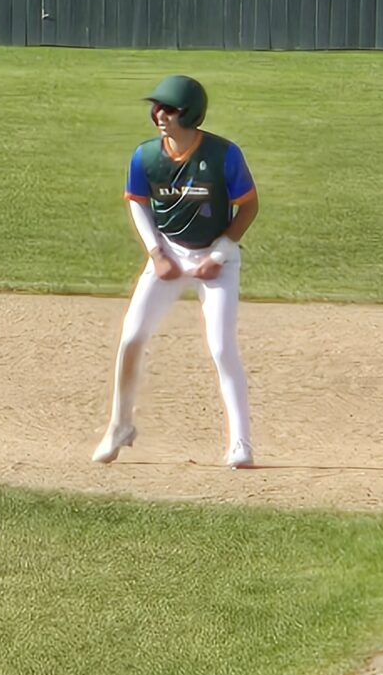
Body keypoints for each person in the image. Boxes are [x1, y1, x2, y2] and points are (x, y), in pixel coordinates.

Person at [93, 72, 259, 470]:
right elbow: (137, 201)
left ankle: (240, 442)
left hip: (215, 257)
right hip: (168, 252)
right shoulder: (146, 156)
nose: (159, 115)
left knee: (221, 347)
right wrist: (156, 253)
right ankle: (120, 425)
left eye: (169, 108)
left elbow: (248, 205)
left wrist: (219, 254)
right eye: (157, 108)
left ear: (191, 114)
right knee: (132, 337)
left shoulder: (224, 155)